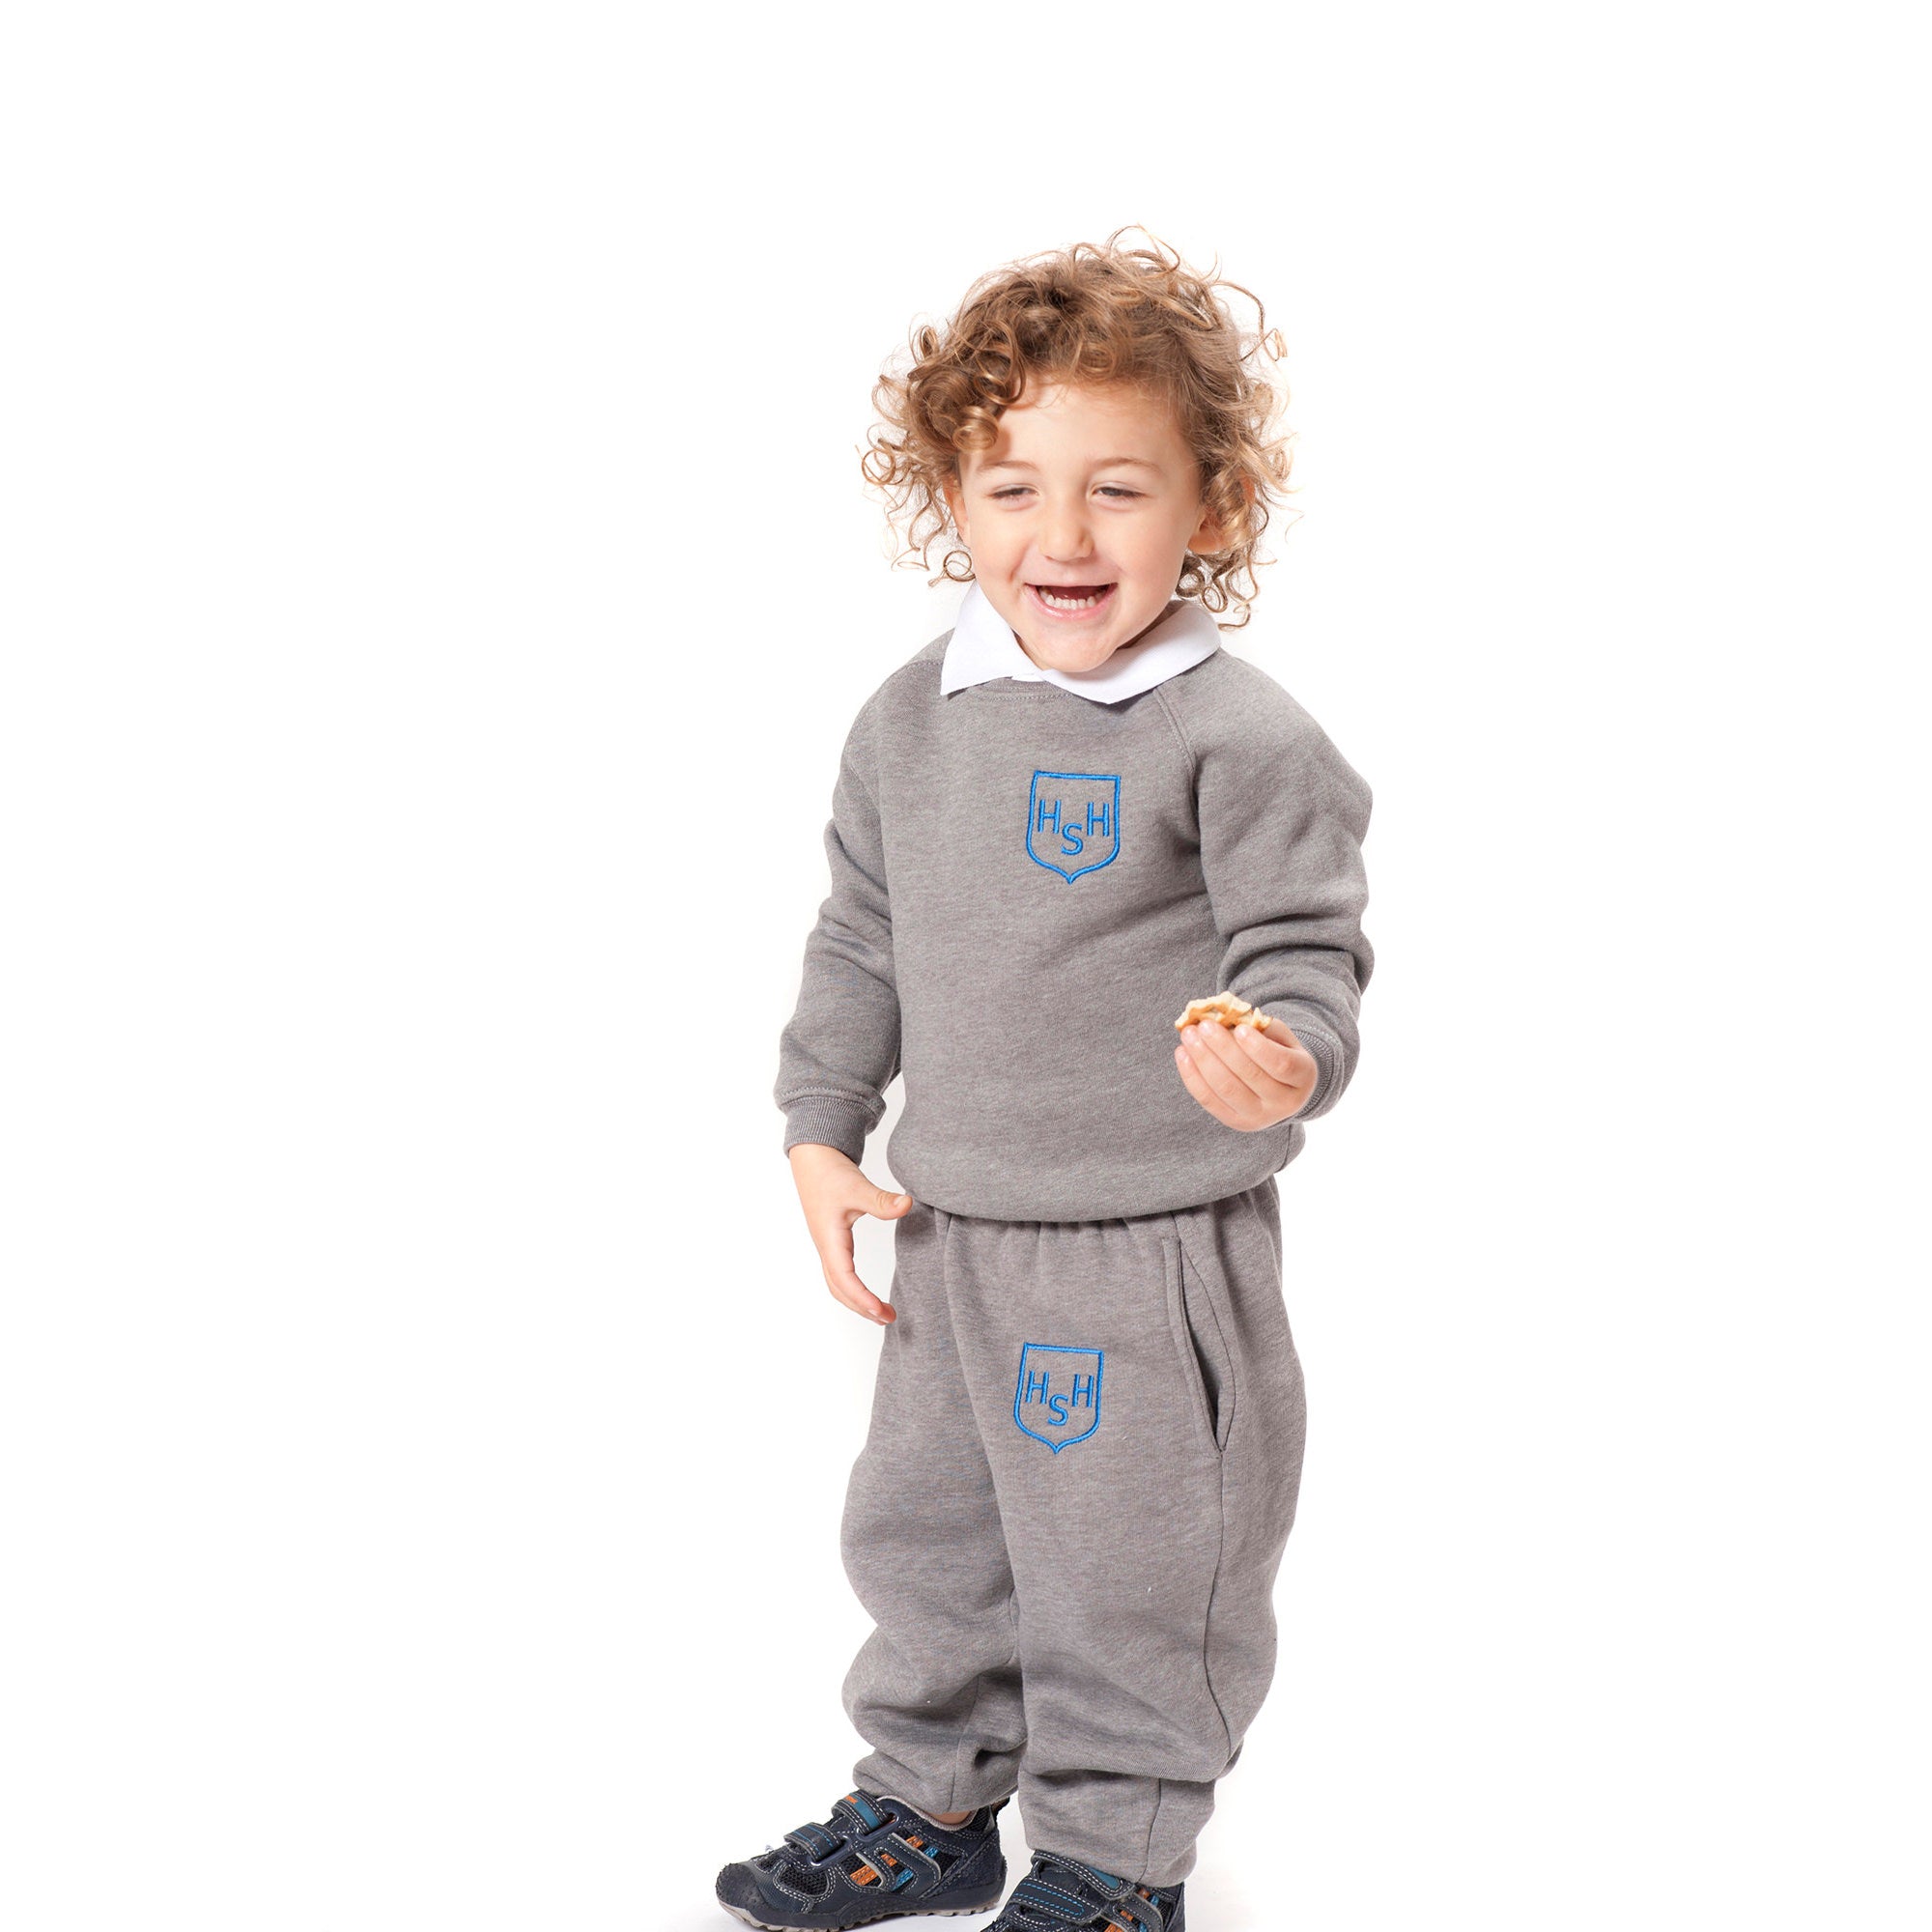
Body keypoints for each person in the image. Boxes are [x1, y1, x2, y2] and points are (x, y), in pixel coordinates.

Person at [716, 231, 1375, 1932]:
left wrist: (1282, 1062)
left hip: (1145, 1248)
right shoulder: (910, 720)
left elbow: (1306, 955)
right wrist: (819, 1128)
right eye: (1013, 488)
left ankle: (1118, 1858)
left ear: (1213, 508)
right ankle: (931, 1799)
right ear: (953, 500)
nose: (1063, 538)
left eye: (1117, 490)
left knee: (1134, 1572)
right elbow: (861, 937)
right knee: (929, 1543)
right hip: (956, 1234)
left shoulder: (1242, 738)